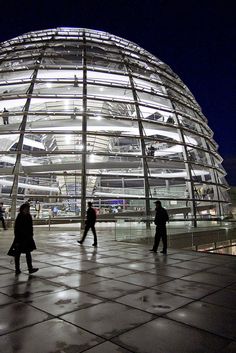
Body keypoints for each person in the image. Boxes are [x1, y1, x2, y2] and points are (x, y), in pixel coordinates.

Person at [7, 203, 38, 275]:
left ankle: (30, 268)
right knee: (18, 254)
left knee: (27, 253)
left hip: (27, 238)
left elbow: (30, 227)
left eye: (28, 209)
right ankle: (17, 269)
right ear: (23, 209)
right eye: (26, 209)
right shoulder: (20, 216)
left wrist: (31, 235)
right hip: (20, 238)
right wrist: (17, 238)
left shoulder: (28, 216)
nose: (27, 210)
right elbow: (17, 228)